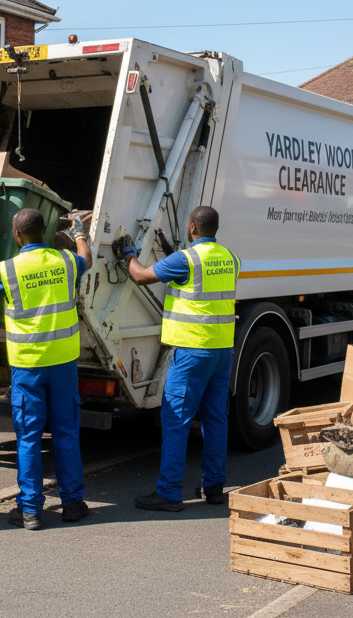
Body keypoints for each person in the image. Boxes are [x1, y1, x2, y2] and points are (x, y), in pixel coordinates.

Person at [0, 210, 92, 530]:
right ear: (45, 232)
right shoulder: (65, 261)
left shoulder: (8, 270)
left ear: (16, 234)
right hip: (63, 362)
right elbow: (86, 258)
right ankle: (73, 503)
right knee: (66, 433)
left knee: (29, 438)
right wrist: (79, 233)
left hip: (28, 367)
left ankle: (31, 510)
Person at [119, 206, 238, 512]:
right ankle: (213, 487)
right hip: (222, 352)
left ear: (191, 228)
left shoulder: (185, 260)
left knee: (176, 420)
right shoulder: (231, 258)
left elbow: (142, 276)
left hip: (192, 352)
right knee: (215, 420)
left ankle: (170, 491)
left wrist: (127, 255)